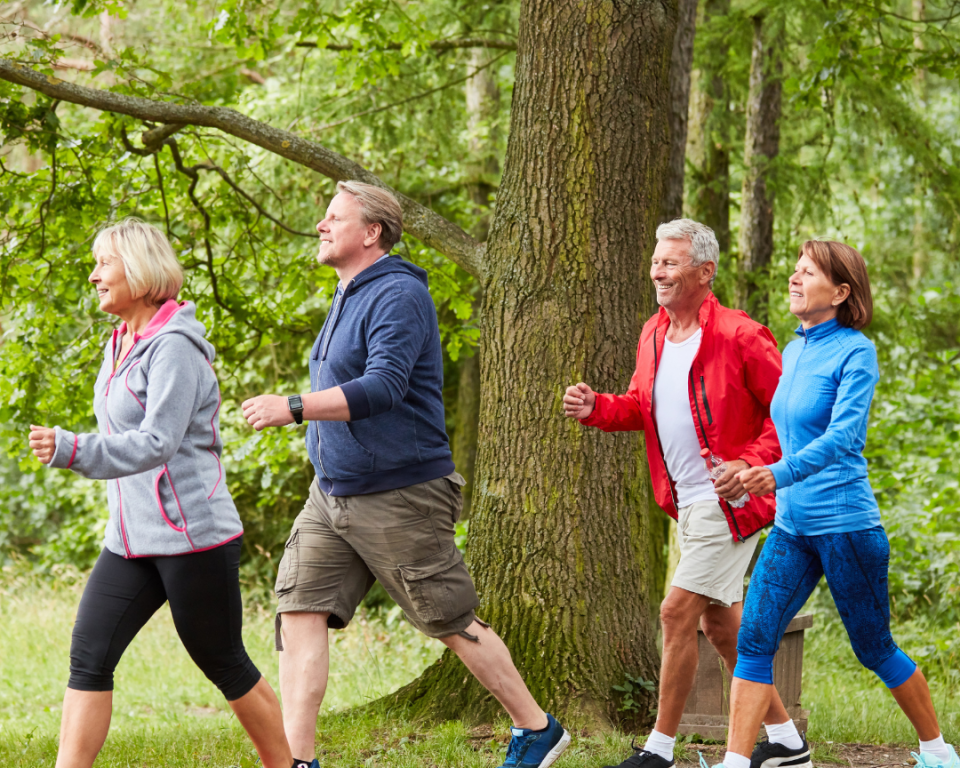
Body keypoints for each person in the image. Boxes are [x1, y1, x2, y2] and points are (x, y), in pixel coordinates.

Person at [241, 180, 570, 768]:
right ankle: (298, 760)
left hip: (399, 493)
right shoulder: (347, 292)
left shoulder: (397, 294)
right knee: (299, 608)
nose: (321, 225)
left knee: (449, 619)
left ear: (371, 233)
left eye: (334, 217)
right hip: (331, 493)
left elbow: (383, 387)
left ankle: (537, 727)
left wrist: (293, 407)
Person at [27, 218, 298, 768]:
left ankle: (289, 766)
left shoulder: (174, 347)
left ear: (140, 269)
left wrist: (74, 449)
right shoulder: (122, 340)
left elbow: (156, 441)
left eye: (105, 263)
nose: (95, 274)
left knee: (223, 661)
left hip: (191, 535)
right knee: (89, 656)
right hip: (128, 539)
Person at [704, 241, 959, 768]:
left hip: (847, 526)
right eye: (795, 270)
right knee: (753, 640)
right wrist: (745, 466)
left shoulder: (856, 351)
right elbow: (786, 432)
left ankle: (937, 752)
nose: (795, 279)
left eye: (809, 272)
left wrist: (775, 475)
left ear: (841, 292)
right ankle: (739, 762)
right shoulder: (793, 350)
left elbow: (844, 437)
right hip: (792, 527)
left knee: (873, 647)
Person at [564, 219, 807, 768]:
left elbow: (788, 416)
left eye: (670, 263)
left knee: (676, 613)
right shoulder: (652, 333)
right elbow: (641, 405)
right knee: (720, 627)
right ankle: (789, 743)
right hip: (686, 504)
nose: (658, 271)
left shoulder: (741, 335)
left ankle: (659, 749)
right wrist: (597, 407)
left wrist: (748, 462)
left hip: (732, 500)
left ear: (704, 272)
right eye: (656, 262)